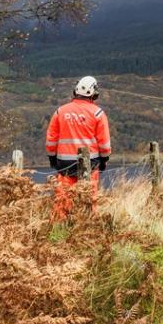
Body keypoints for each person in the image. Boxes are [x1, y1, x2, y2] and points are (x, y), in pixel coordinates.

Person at [46, 76, 111, 220]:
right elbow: (104, 143)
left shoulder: (60, 111)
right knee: (89, 196)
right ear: (94, 93)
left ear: (75, 91)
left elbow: (51, 139)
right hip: (90, 163)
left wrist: (52, 158)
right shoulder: (98, 113)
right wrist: (104, 159)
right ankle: (88, 224)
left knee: (63, 198)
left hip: (64, 163)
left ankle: (61, 226)